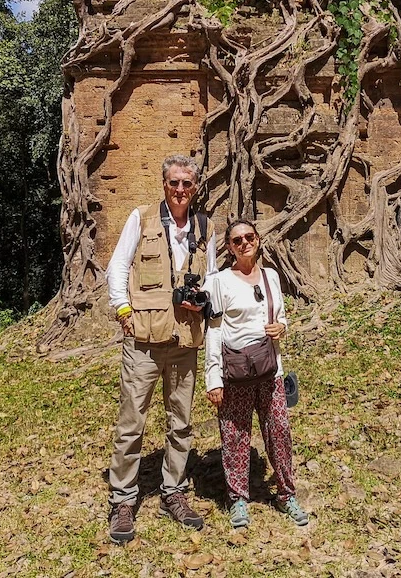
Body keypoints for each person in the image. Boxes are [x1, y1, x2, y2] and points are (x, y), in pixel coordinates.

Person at [104, 154, 217, 544]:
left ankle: (173, 491)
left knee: (181, 422)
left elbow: (213, 277)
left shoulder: (205, 227)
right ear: (164, 185)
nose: (181, 190)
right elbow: (117, 266)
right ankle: (122, 499)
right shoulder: (141, 218)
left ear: (195, 187)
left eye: (187, 183)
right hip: (144, 342)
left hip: (185, 341)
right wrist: (122, 310)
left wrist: (203, 300)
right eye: (174, 183)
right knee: (131, 422)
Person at [204, 219, 308, 529]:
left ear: (258, 239)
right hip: (235, 373)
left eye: (249, 237)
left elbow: (282, 317)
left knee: (278, 433)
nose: (244, 243)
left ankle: (286, 493)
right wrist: (213, 378)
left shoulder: (271, 277)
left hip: (270, 371)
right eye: (237, 240)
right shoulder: (219, 282)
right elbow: (213, 330)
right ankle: (238, 500)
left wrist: (283, 327)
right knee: (235, 436)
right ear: (229, 248)